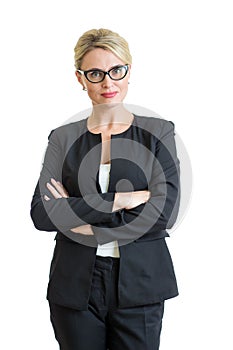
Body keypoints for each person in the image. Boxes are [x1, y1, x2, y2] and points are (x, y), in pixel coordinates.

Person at [30, 28, 180, 350]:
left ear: (129, 71)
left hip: (140, 283)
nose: (108, 83)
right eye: (95, 73)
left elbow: (163, 214)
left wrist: (77, 212)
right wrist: (120, 200)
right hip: (75, 284)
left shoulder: (157, 132)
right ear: (80, 78)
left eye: (116, 71)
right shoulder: (63, 138)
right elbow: (42, 214)